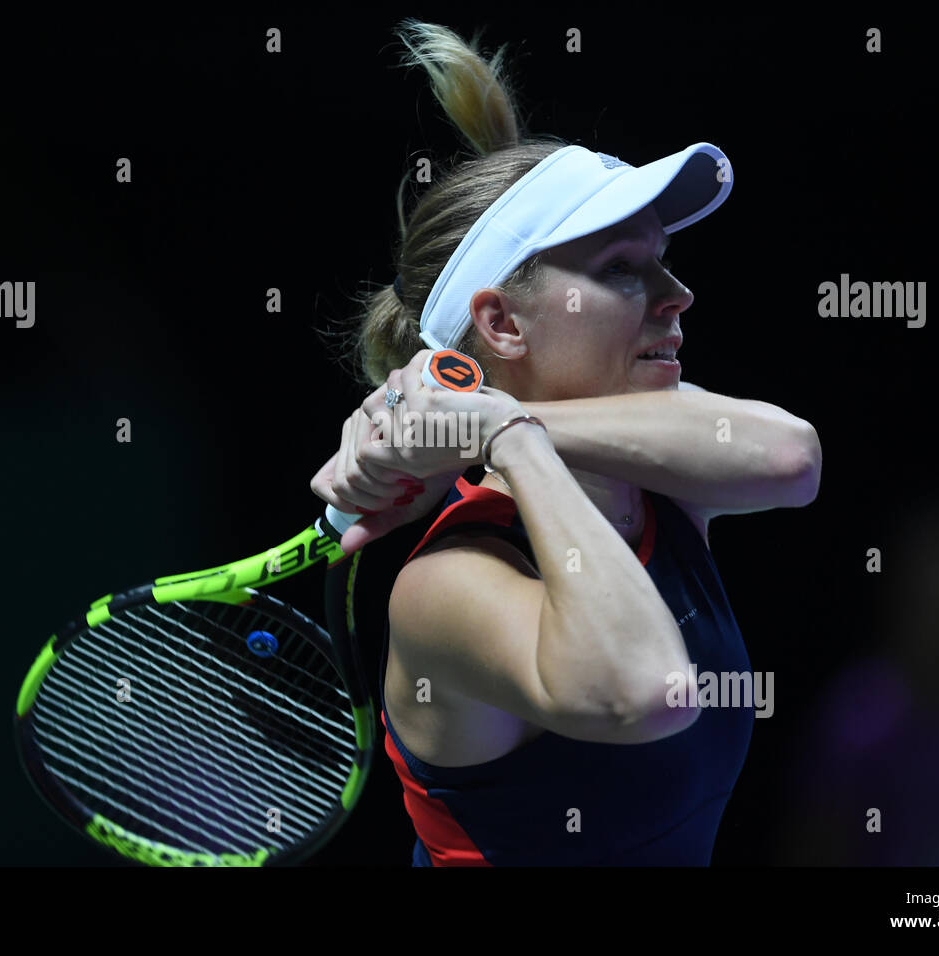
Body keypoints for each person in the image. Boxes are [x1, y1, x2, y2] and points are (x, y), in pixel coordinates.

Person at [310, 20, 821, 865]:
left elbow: (793, 458)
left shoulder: (660, 479)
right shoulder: (450, 585)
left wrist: (493, 424)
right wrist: (504, 434)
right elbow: (651, 692)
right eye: (624, 269)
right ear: (502, 323)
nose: (679, 294)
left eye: (665, 259)